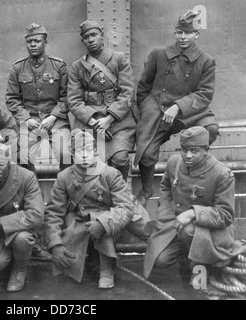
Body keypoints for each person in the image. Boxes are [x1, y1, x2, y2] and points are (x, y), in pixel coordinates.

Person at [134, 10, 219, 207]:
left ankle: (193, 174)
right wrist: (148, 112)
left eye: (187, 33)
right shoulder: (158, 55)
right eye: (179, 32)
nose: (182, 37)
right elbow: (143, 87)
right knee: (146, 154)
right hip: (158, 109)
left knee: (211, 129)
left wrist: (178, 107)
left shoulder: (206, 61)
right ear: (174, 33)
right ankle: (146, 189)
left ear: (196, 35)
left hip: (190, 111)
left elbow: (204, 94)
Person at [44, 130, 149, 288]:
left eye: (88, 150)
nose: (85, 155)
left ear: (95, 151)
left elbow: (125, 207)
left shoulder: (110, 174)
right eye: (80, 151)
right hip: (82, 219)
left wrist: (102, 224)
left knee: (103, 221)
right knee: (69, 263)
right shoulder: (64, 177)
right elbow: (53, 212)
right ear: (72, 153)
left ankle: (106, 269)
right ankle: (87, 261)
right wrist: (55, 244)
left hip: (111, 219)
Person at [143, 126, 245, 280]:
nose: (188, 155)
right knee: (159, 260)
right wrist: (165, 212)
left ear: (206, 150)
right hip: (176, 223)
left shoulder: (222, 174)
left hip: (210, 230)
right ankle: (188, 257)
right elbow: (165, 186)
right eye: (184, 150)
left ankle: (203, 265)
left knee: (188, 231)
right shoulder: (174, 163)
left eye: (194, 151)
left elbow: (225, 215)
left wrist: (192, 213)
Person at [67, 20, 137, 181]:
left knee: (119, 158)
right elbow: (74, 100)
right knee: (83, 157)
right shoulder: (77, 66)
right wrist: (96, 120)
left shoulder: (119, 59)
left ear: (101, 36)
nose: (91, 39)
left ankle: (121, 192)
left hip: (118, 121)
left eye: (94, 35)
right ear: (82, 41)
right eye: (86, 37)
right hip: (89, 121)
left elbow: (127, 93)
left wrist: (109, 119)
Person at [0, 143, 44, 292]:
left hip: (20, 229)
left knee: (22, 239)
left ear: (9, 162)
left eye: (1, 163)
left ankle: (20, 269)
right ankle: (13, 253)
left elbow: (37, 215)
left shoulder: (26, 177)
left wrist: (2, 223)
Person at [6, 23, 71, 175]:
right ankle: (32, 195)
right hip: (30, 122)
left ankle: (66, 194)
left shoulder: (58, 66)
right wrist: (26, 120)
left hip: (56, 122)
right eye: (30, 41)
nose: (33, 44)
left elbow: (67, 96)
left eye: (37, 41)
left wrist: (53, 117)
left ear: (45, 42)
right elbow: (12, 99)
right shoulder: (17, 68)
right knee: (23, 158)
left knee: (65, 155)